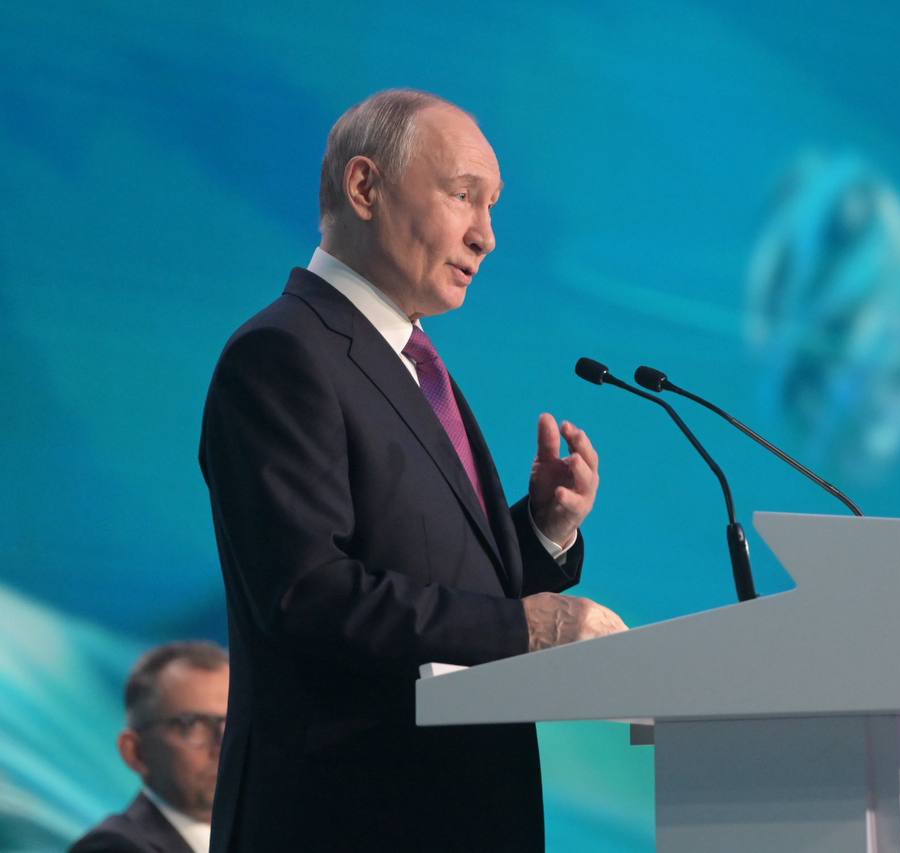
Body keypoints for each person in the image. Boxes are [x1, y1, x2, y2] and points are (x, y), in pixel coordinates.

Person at [198, 88, 627, 852]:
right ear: (365, 188)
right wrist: (529, 626)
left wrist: (541, 534)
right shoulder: (282, 354)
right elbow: (308, 593)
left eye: (493, 206)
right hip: (346, 819)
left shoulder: (411, 362)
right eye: (464, 196)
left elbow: (432, 578)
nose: (486, 236)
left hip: (461, 811)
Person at [71, 641, 230, 853]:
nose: (223, 746)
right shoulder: (112, 848)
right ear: (135, 751)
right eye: (193, 725)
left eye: (234, 725)